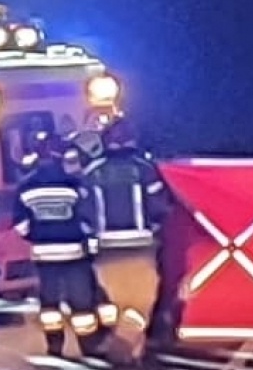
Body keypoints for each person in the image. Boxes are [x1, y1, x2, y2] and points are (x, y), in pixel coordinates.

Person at [83, 117, 175, 352]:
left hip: (106, 250)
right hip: (141, 248)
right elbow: (160, 206)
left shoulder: (91, 172)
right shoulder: (145, 169)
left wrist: (92, 237)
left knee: (114, 300)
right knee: (140, 302)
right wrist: (155, 229)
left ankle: (123, 342)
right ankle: (127, 346)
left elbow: (82, 211)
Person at [13, 136, 106, 357]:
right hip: (73, 252)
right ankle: (88, 346)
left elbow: (20, 225)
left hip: (44, 254)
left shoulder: (26, 185)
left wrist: (37, 236)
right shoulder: (74, 183)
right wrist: (88, 244)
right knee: (82, 303)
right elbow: (88, 218)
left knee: (50, 304)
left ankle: (55, 346)